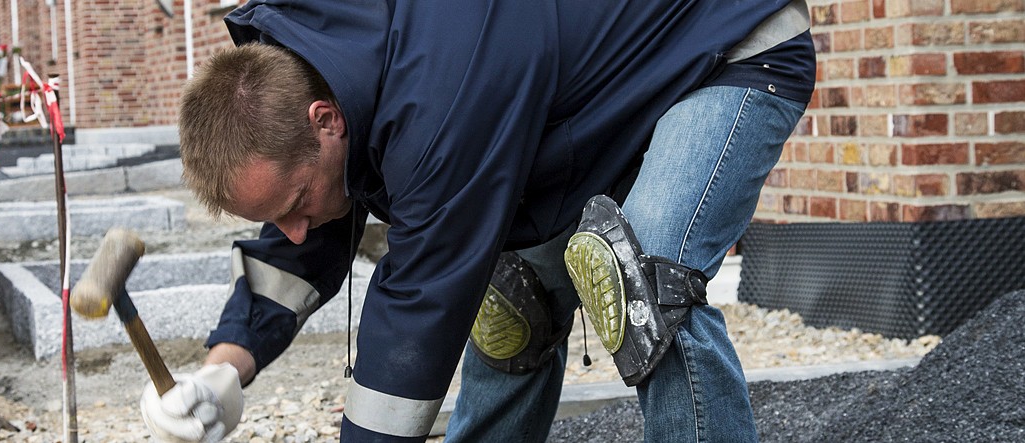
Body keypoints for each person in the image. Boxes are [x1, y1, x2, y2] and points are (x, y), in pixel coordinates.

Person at [138, 0, 816, 441]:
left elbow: (417, 310)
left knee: (641, 284)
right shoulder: (316, 78)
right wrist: (222, 368)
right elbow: (303, 234)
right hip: (585, 105)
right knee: (507, 300)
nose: (294, 229)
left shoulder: (433, 101)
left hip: (723, 45)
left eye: (291, 207)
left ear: (326, 121)